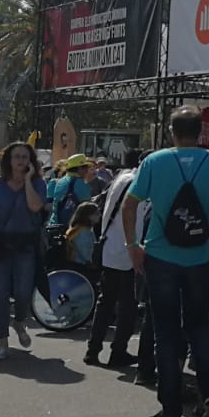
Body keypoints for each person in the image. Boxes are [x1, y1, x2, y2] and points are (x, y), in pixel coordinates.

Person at [123, 107, 209, 417]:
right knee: (198, 327)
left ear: (171, 132)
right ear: (200, 131)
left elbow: (130, 203)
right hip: (200, 256)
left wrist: (133, 245)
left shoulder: (155, 161)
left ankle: (171, 412)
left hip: (160, 255)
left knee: (165, 332)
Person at [0, 142, 48, 360]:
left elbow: (35, 207)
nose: (20, 161)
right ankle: (3, 341)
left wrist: (27, 180)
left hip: (25, 245)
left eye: (25, 157)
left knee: (23, 292)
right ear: (8, 160)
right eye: (16, 157)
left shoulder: (38, 184)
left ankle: (19, 321)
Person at [85, 148, 146, 368]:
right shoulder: (137, 182)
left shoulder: (121, 178)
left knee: (106, 301)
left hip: (110, 246)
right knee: (128, 305)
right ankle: (118, 351)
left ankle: (93, 349)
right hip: (128, 250)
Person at [47, 155, 94, 235]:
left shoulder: (59, 181)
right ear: (79, 168)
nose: (87, 170)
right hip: (73, 232)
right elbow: (88, 210)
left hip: (54, 227)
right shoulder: (80, 183)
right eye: (85, 167)